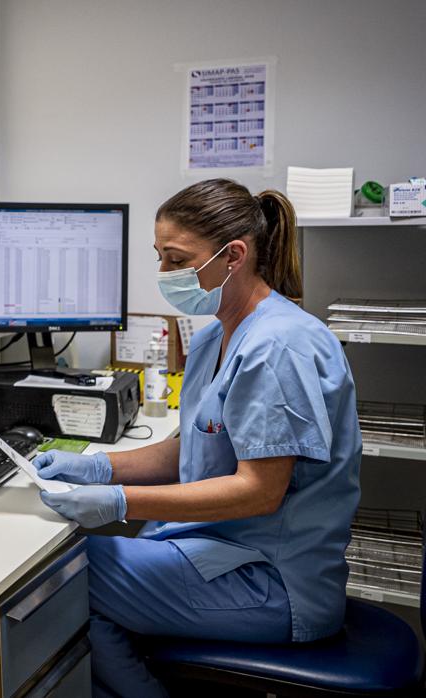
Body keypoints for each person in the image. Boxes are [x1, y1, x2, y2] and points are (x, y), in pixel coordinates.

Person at [32, 178, 360, 698]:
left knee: (70, 576)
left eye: (175, 259)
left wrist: (121, 502)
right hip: (223, 552)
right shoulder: (216, 333)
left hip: (276, 583)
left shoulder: (277, 346)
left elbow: (259, 489)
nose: (163, 273)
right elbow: (195, 444)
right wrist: (98, 468)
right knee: (83, 577)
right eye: (159, 257)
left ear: (233, 256)